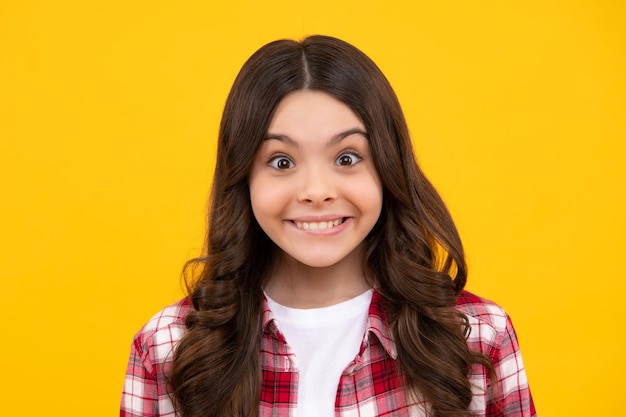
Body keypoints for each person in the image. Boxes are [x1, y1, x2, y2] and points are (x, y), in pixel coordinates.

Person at [120, 35, 536, 417]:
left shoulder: (480, 336)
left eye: (347, 157)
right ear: (243, 177)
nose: (316, 191)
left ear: (387, 168)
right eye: (281, 161)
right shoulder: (167, 349)